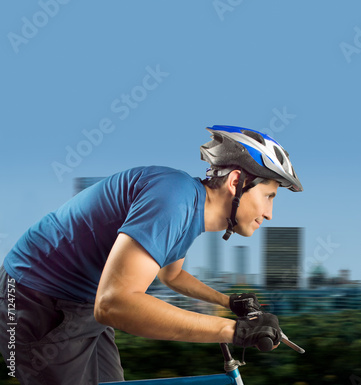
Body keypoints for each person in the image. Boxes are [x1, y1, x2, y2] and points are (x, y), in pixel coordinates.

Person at [0, 125, 303, 384]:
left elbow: (170, 275)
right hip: (38, 296)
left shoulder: (189, 206)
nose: (270, 213)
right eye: (268, 196)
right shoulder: (172, 201)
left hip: (81, 301)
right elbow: (114, 305)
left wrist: (227, 302)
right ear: (236, 182)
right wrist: (233, 331)